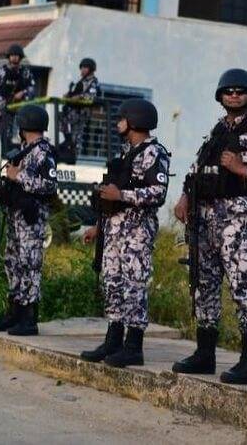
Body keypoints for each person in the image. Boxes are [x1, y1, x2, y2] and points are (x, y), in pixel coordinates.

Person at [172, 69, 247, 385]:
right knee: (204, 284)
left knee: (243, 288)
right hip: (205, 218)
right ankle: (204, 354)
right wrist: (184, 197)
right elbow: (197, 168)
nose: (234, 95)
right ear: (221, 96)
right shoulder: (216, 131)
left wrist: (242, 168)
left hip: (238, 220)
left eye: (240, 91)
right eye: (228, 91)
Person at [80, 98, 170, 368]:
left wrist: (123, 195)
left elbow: (158, 192)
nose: (117, 123)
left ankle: (134, 346)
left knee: (134, 286)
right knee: (113, 284)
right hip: (114, 230)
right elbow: (113, 194)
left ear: (134, 121)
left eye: (121, 119)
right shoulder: (125, 152)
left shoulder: (154, 152)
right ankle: (113, 339)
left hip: (136, 232)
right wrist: (100, 226)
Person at [0, 104, 58, 337]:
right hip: (15, 216)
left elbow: (50, 186)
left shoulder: (44, 152)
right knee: (13, 262)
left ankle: (29, 318)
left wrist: (19, 176)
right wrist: (2, 190)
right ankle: (14, 312)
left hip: (31, 218)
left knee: (30, 264)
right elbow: (15, 182)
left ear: (24, 126)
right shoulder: (24, 150)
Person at [0, 44, 36, 152]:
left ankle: (23, 152)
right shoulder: (2, 71)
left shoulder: (25, 72)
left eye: (17, 55)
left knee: (23, 131)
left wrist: (23, 92)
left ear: (20, 57)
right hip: (5, 105)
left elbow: (32, 88)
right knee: (4, 130)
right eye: (12, 55)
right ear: (9, 57)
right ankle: (3, 152)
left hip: (21, 105)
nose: (14, 57)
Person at [60, 57, 100, 163]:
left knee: (76, 138)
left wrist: (79, 97)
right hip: (71, 112)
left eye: (85, 67)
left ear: (91, 69)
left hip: (81, 113)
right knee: (67, 134)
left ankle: (73, 159)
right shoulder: (80, 81)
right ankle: (67, 149)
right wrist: (68, 95)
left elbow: (91, 96)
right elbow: (72, 93)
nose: (82, 70)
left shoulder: (93, 82)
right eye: (81, 67)